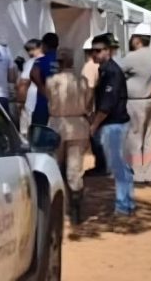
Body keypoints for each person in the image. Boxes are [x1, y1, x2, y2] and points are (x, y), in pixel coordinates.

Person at [89, 33, 135, 217]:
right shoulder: (105, 70)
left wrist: (94, 125)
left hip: (114, 124)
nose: (95, 54)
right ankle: (127, 203)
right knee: (121, 166)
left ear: (108, 51)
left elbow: (106, 105)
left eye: (99, 50)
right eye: (92, 51)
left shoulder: (112, 72)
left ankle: (123, 205)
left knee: (118, 167)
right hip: (114, 123)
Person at [46, 49, 92, 225]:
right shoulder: (83, 82)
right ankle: (76, 210)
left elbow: (49, 98)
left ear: (59, 63)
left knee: (56, 167)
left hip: (58, 125)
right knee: (75, 169)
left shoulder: (52, 81)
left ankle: (61, 207)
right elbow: (88, 101)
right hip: (78, 126)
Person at [120, 24, 151, 187]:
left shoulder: (133, 57)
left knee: (134, 139)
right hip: (149, 100)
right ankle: (149, 175)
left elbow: (116, 70)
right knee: (148, 139)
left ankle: (137, 175)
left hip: (135, 102)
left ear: (137, 40)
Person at [81, 36, 108, 177]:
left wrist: (87, 108)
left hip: (92, 107)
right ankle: (104, 165)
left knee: (95, 137)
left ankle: (101, 166)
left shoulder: (89, 67)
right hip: (100, 105)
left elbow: (90, 89)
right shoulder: (101, 66)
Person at [28, 32, 59, 127]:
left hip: (43, 103)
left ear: (44, 45)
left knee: (39, 132)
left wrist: (41, 87)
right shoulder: (63, 61)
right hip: (60, 103)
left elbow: (33, 74)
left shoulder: (41, 61)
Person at [16, 39, 44, 135]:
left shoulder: (30, 63)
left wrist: (20, 103)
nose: (28, 53)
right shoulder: (50, 61)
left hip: (31, 103)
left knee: (27, 135)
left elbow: (23, 83)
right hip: (47, 105)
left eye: (29, 50)